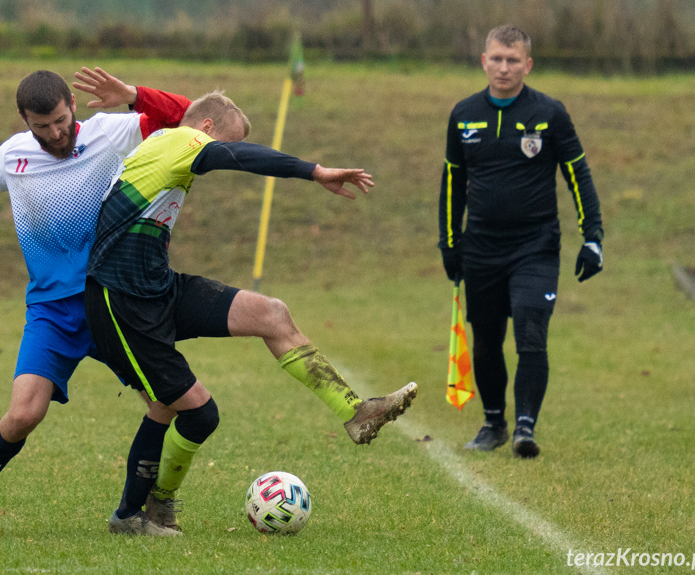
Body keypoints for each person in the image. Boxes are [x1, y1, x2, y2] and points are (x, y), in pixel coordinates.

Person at [84, 90, 419, 535]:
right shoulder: (178, 141)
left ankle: (358, 412)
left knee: (271, 314)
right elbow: (240, 157)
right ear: (205, 129)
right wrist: (314, 171)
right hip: (119, 299)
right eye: (228, 141)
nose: (229, 152)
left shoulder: (168, 154)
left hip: (157, 287)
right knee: (195, 412)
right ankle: (133, 514)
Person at [0, 67, 192, 535]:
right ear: (25, 120)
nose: (56, 133)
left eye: (61, 121)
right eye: (42, 127)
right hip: (52, 311)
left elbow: (192, 117)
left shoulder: (114, 131)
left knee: (166, 399)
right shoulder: (15, 156)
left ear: (70, 104)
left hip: (111, 301)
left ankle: (131, 514)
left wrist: (134, 95)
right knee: (24, 412)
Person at [438, 25, 603, 459]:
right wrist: (449, 244)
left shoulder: (550, 113)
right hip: (481, 249)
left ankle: (525, 428)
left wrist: (594, 238)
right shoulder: (463, 115)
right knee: (487, 340)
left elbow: (578, 175)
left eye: (513, 60)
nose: (504, 67)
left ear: (528, 65)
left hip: (536, 246)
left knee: (531, 332)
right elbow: (452, 184)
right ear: (484, 61)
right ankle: (494, 423)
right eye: (497, 58)